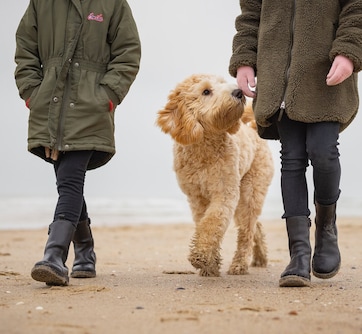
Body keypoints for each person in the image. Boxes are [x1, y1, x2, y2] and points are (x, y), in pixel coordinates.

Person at [229, 1, 362, 287]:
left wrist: (349, 51)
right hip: (278, 79)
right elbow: (250, 16)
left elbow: (357, 7)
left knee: (323, 151)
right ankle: (299, 254)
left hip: (325, 74)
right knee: (292, 159)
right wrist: (244, 60)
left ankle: (326, 228)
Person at [14, 0, 141, 286]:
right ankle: (85, 252)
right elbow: (25, 49)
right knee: (67, 181)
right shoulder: (41, 3)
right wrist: (32, 92)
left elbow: (128, 52)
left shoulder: (112, 4)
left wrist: (107, 94)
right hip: (50, 106)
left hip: (90, 108)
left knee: (70, 180)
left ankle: (54, 255)